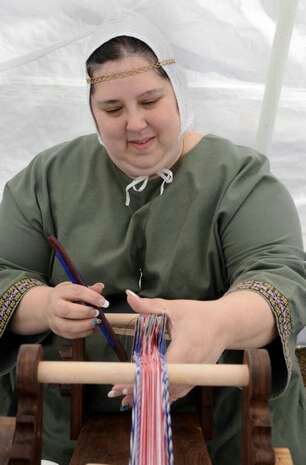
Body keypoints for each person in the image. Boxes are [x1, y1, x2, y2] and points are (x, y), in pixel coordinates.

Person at [0, 9, 305, 465]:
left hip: (227, 429)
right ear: (92, 112)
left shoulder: (240, 177)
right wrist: (43, 304)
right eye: (113, 108)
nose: (135, 124)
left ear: (177, 94)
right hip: (60, 432)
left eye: (149, 101)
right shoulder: (48, 177)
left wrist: (218, 323)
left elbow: (282, 279)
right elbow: (5, 270)